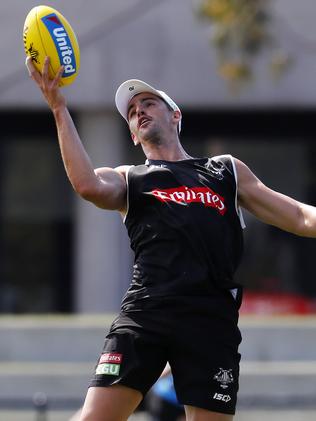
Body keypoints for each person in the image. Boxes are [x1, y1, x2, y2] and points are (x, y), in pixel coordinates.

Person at [25, 56, 316, 421]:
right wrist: (59, 107)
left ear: (175, 116)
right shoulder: (131, 177)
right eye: (132, 111)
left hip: (210, 318)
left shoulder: (224, 170)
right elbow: (87, 185)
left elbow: (300, 216)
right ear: (132, 134)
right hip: (147, 313)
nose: (139, 111)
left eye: (148, 103)